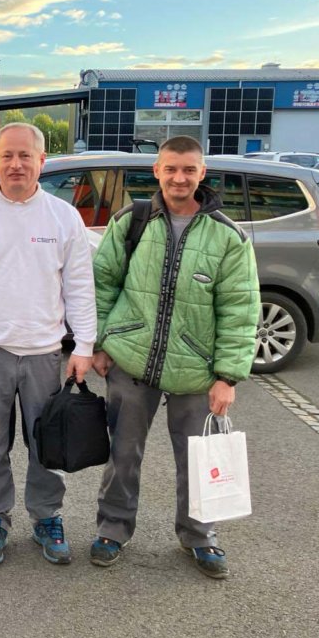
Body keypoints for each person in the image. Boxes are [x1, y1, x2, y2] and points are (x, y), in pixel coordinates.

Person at [88, 134, 259, 579]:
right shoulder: (132, 221)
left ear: (202, 173)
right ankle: (113, 528)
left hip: (196, 369)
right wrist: (100, 343)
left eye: (188, 170)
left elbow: (240, 311)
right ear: (157, 171)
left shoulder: (228, 237)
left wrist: (227, 376)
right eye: (171, 169)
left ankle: (199, 535)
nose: (179, 178)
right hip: (131, 359)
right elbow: (101, 284)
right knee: (123, 453)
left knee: (197, 459)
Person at [0, 123, 97, 567]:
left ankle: (47, 517)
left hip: (44, 352)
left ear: (41, 161)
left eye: (25, 155)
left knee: (47, 443)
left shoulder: (63, 217)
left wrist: (84, 345)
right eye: (7, 156)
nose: (16, 164)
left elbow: (79, 287)